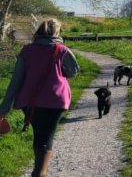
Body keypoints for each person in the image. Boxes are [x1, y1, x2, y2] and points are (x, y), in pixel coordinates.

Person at [0, 19, 79, 177]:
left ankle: (39, 171)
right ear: (56, 32)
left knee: (39, 134)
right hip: (55, 102)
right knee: (46, 136)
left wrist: (4, 109)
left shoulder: (27, 50)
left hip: (30, 101)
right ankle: (39, 173)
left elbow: (16, 80)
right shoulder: (62, 49)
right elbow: (73, 72)